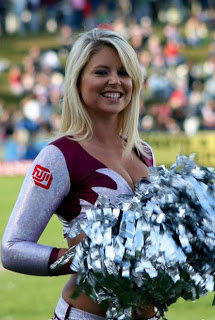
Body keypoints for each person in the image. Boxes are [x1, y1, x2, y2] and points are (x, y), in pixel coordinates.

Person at [1, 27, 156, 320]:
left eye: (124, 72)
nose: (115, 80)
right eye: (101, 72)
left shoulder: (144, 152)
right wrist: (82, 258)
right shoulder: (59, 156)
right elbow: (12, 249)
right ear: (77, 81)